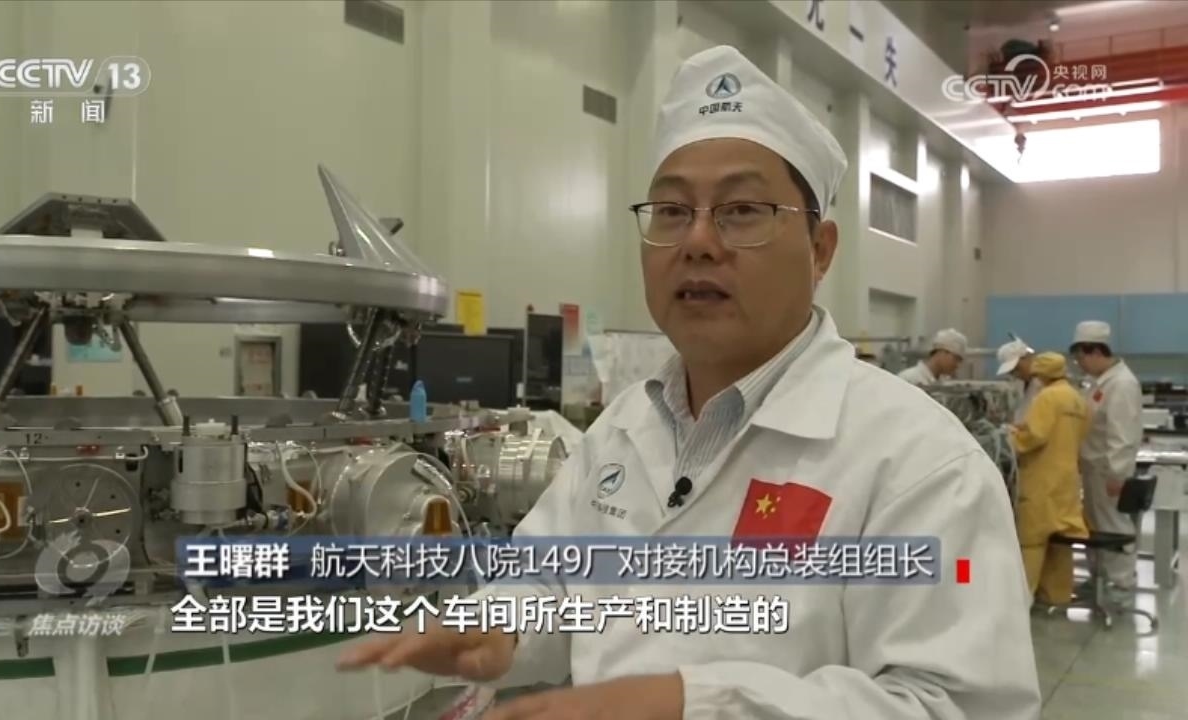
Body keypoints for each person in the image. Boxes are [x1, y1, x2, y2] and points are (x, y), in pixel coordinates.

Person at [339, 45, 1039, 719]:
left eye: (742, 211)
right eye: (672, 212)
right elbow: (553, 581)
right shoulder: (623, 429)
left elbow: (957, 706)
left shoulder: (920, 464)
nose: (698, 241)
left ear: (820, 249)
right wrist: (500, 628)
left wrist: (700, 705)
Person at [1008, 352, 1090, 607]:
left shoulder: (1047, 397)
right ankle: (1057, 597)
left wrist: (1009, 439)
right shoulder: (1077, 399)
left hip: (1042, 480)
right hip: (1067, 483)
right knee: (1060, 546)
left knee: (1032, 543)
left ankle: (1022, 600)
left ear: (1040, 374)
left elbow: (1036, 435)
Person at [1070, 320, 1143, 604]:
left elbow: (1123, 435)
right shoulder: (1101, 383)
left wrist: (1117, 474)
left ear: (1096, 351)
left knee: (1113, 526)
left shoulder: (1122, 384)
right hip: (1093, 470)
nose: (1080, 365)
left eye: (1081, 358)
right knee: (1095, 527)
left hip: (1108, 473)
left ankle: (1121, 585)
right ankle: (1098, 579)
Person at [897, 328, 967, 385]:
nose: (957, 365)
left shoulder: (945, 382)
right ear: (941, 352)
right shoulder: (908, 378)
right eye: (956, 358)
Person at [996, 337, 1040, 423]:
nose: (1016, 375)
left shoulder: (1046, 383)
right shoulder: (1020, 385)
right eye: (1011, 372)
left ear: (1027, 357)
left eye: (1017, 369)